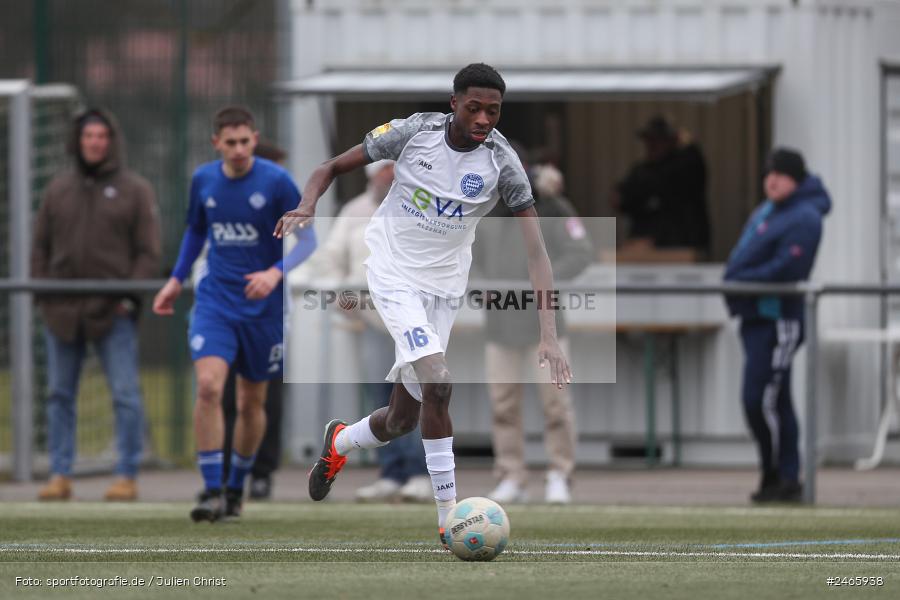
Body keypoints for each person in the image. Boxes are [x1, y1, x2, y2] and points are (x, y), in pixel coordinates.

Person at [276, 63, 571, 549]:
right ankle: (448, 519)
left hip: (444, 288)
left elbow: (537, 252)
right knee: (439, 379)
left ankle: (340, 443)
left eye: (492, 111)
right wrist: (309, 203)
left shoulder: (503, 163)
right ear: (454, 102)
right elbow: (328, 167)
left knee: (403, 419)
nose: (482, 119)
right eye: (473, 107)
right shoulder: (414, 133)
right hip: (391, 271)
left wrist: (550, 333)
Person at [153, 106, 316, 522]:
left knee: (250, 401)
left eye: (247, 141)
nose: (240, 149)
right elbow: (196, 231)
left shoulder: (277, 182)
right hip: (215, 302)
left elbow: (308, 241)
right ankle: (210, 489)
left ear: (254, 138)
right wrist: (174, 279)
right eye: (231, 143)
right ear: (217, 144)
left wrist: (274, 272)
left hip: (263, 309)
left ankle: (235, 488)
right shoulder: (204, 180)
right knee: (208, 387)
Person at [31, 108, 161, 502]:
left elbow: (147, 252)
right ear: (78, 141)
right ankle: (60, 473)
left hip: (112, 312)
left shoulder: (134, 190)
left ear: (111, 141)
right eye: (89, 136)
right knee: (59, 394)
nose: (95, 143)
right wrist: (44, 295)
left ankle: (126, 473)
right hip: (62, 311)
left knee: (124, 393)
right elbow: (39, 247)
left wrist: (126, 297)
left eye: (102, 136)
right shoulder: (58, 190)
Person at [311, 159, 432, 503]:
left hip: (412, 322)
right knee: (381, 398)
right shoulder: (354, 211)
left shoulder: (418, 207)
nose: (391, 176)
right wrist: (341, 296)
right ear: (372, 175)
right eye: (385, 170)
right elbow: (330, 261)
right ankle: (392, 473)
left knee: (416, 395)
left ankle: (418, 473)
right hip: (371, 323)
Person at [476, 164, 593, 505]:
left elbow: (580, 252)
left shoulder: (553, 207)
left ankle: (560, 473)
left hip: (547, 327)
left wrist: (543, 282)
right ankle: (511, 475)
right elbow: (469, 259)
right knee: (503, 405)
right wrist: (481, 288)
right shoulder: (484, 210)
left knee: (555, 404)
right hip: (499, 326)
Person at [724, 147, 831, 503]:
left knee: (760, 399)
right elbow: (742, 258)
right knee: (776, 398)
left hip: (777, 319)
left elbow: (789, 268)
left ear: (796, 179)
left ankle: (779, 473)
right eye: (768, 172)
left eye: (780, 173)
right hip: (755, 317)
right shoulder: (767, 210)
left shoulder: (805, 217)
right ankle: (783, 480)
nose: (771, 179)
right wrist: (738, 280)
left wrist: (741, 281)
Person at [220, 139, 289, 501]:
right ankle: (229, 472)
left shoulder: (288, 215)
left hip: (271, 323)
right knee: (230, 399)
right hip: (230, 320)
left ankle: (262, 473)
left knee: (266, 401)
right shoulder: (225, 206)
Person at [613, 115, 710, 253]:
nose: (652, 145)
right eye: (649, 140)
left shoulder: (684, 167)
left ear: (671, 141)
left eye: (658, 140)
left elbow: (694, 160)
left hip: (680, 246)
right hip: (645, 247)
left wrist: (687, 141)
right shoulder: (641, 171)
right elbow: (619, 199)